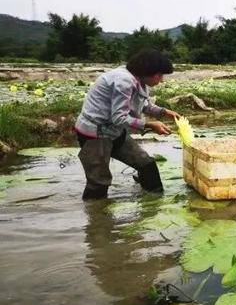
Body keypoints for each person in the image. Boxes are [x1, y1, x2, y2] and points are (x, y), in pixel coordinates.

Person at [74, 49, 180, 199]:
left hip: (115, 132)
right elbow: (119, 117)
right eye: (160, 75)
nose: (161, 80)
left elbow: (142, 104)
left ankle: (154, 208)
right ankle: (96, 218)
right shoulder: (124, 81)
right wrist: (150, 125)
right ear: (148, 71)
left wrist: (164, 111)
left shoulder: (139, 80)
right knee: (99, 182)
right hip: (95, 135)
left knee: (146, 164)